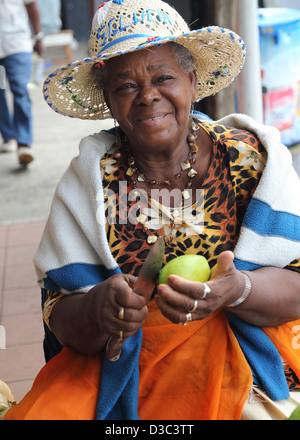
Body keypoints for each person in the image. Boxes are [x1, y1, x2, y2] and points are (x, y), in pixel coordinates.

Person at [5, 0, 300, 420]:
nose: (147, 96)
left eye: (163, 77)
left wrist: (238, 290)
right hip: (126, 375)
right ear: (108, 100)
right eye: (125, 86)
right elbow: (59, 314)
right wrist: (98, 309)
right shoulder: (88, 184)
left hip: (245, 366)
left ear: (192, 82)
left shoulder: (251, 162)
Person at [0, 0, 44, 165]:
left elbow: (31, 5)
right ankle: (8, 137)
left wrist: (38, 37)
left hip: (17, 46)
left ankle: (24, 144)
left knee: (20, 90)